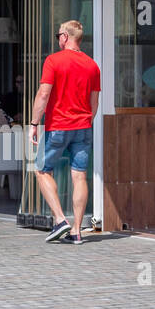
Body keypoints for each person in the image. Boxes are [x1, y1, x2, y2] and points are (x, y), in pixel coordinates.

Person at [31, 20, 101, 245]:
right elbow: (94, 101)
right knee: (79, 175)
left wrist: (34, 122)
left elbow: (43, 94)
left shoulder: (54, 61)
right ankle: (77, 231)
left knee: (42, 170)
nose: (57, 39)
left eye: (57, 35)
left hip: (59, 125)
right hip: (83, 126)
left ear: (64, 37)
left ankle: (60, 220)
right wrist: (87, 121)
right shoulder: (92, 65)